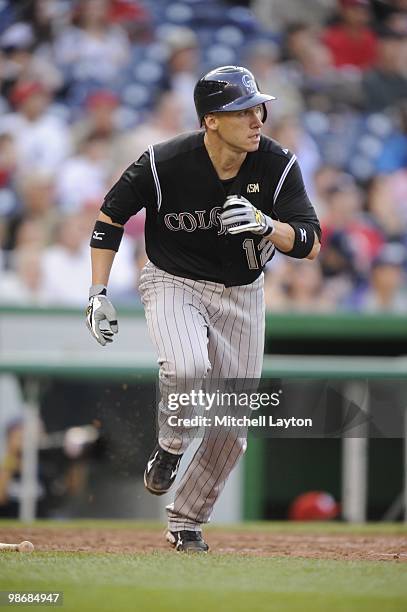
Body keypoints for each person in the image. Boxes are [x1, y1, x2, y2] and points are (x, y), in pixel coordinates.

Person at [86, 66, 321, 553]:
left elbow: (310, 243)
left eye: (259, 107)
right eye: (244, 110)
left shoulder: (277, 165)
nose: (257, 118)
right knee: (188, 365)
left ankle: (188, 522)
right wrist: (97, 290)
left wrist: (265, 223)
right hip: (174, 279)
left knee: (231, 428)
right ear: (211, 120)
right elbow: (110, 217)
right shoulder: (164, 162)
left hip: (243, 293)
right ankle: (170, 447)